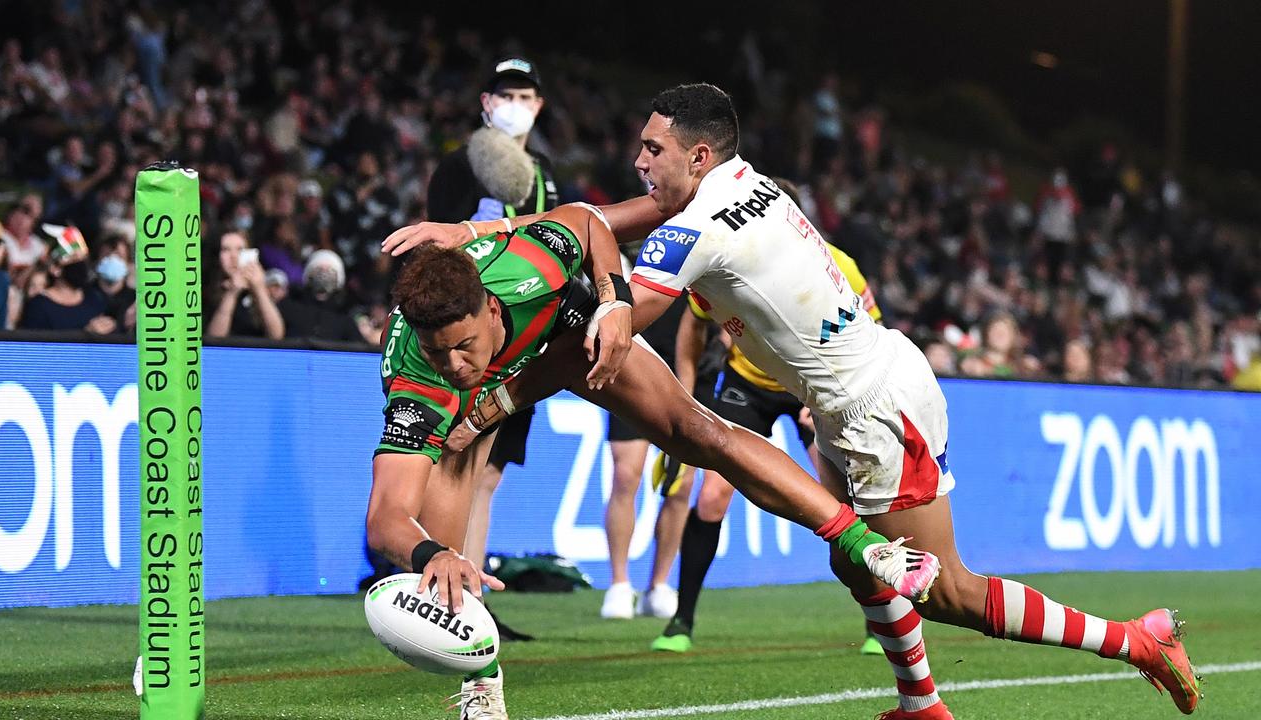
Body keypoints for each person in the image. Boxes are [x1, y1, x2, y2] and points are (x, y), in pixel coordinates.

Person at [388, 83, 1199, 719]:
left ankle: (1137, 640)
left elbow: (612, 328)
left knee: (947, 590)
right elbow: (606, 220)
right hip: (870, 386)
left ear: (698, 155)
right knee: (860, 571)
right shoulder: (749, 183)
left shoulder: (692, 231)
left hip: (875, 408)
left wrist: (544, 345)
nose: (638, 158)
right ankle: (921, 702)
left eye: (652, 148)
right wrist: (486, 238)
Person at [369, 204, 937, 719]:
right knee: (445, 551)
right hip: (477, 404)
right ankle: (482, 692)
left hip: (569, 337)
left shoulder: (529, 266)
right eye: (437, 350)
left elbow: (589, 222)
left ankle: (867, 546)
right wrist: (431, 552)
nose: (454, 362)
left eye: (463, 344)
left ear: (491, 307)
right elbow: (387, 516)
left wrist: (615, 302)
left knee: (698, 432)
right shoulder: (420, 380)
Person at [652, 182, 887, 655]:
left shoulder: (838, 265)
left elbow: (872, 334)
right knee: (713, 497)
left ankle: (880, 621)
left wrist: (828, 395)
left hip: (816, 391)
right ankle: (681, 620)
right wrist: (684, 390)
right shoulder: (726, 264)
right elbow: (694, 325)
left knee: (847, 500)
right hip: (748, 387)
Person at [413, 57, 560, 642]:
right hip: (470, 334)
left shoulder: (543, 173)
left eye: (525, 95)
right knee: (458, 462)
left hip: (521, 334)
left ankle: (469, 597)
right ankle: (446, 593)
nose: (515, 104)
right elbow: (432, 243)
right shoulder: (458, 167)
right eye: (506, 95)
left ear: (539, 105)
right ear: (484, 101)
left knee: (488, 474)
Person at [599, 297, 693, 620]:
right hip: (634, 351)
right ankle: (619, 583)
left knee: (680, 482)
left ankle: (659, 585)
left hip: (688, 358)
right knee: (626, 475)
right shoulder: (627, 250)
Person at [18, 224, 108, 332]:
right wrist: (86, 334)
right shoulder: (38, 307)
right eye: (74, 258)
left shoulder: (94, 299)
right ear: (55, 268)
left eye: (83, 258)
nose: (81, 265)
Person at [205, 230, 286, 340]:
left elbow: (276, 335)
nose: (233, 256)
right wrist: (232, 293)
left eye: (240, 249)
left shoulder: (260, 289)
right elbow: (214, 339)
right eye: (226, 250)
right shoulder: (206, 292)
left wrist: (259, 289)